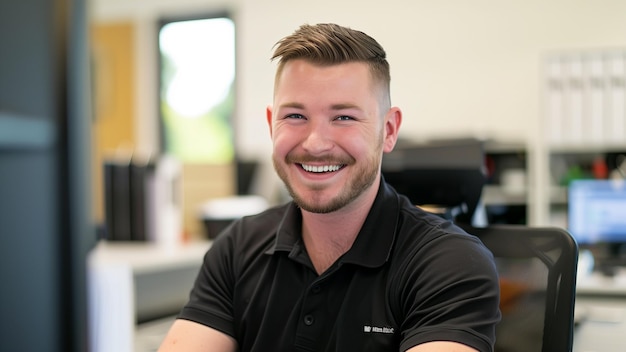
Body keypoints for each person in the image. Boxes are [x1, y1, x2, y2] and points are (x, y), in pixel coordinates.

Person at [159, 23, 501, 352]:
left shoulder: (450, 263)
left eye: (344, 117)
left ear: (389, 129)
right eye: (295, 116)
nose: (316, 143)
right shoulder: (237, 247)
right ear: (270, 123)